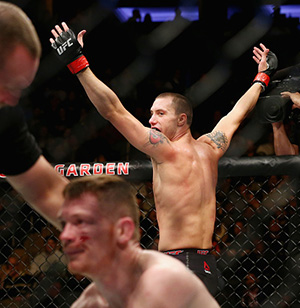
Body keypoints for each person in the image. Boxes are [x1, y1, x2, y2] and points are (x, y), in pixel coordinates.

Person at [49, 21, 277, 295]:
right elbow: (237, 113)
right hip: (206, 266)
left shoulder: (164, 150)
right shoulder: (211, 147)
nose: (151, 119)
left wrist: (78, 64)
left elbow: (113, 111)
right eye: (151, 113)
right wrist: (262, 78)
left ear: (182, 119)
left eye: (160, 113)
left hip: (177, 265)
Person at [58, 174, 220, 307]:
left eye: (81, 222)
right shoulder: (91, 301)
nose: (64, 235)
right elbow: (45, 192)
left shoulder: (163, 280)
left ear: (123, 230)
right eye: (64, 224)